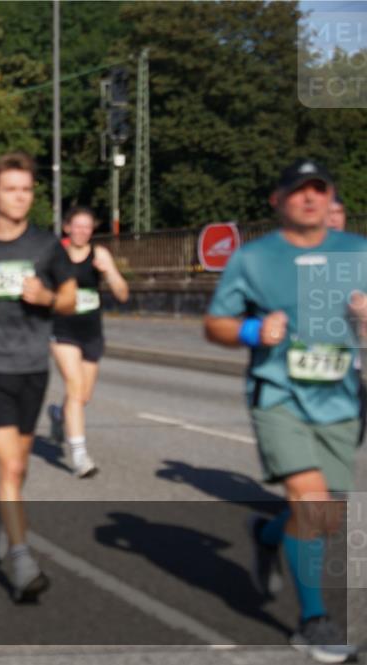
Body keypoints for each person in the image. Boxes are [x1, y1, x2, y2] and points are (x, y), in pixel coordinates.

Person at [204, 159, 364, 663]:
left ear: (331, 197)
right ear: (279, 200)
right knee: (313, 503)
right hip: (277, 394)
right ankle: (313, 620)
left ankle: (267, 534)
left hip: (339, 396)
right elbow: (215, 324)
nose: (310, 199)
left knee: (324, 514)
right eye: (299, 191)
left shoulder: (358, 252)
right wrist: (252, 331)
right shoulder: (252, 259)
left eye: (319, 190)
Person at [0, 151, 76, 602]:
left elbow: (70, 298)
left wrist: (45, 295)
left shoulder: (47, 247)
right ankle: (22, 559)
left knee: (16, 468)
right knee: (12, 465)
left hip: (33, 367)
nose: (20, 197)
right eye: (11, 190)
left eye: (26, 190)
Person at [47, 206, 130, 478]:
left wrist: (110, 272)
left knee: (83, 396)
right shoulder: (55, 253)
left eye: (88, 226)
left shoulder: (100, 254)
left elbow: (122, 295)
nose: (83, 231)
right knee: (75, 387)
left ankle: (59, 414)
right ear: (67, 227)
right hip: (62, 328)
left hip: (91, 330)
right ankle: (80, 456)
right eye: (78, 226)